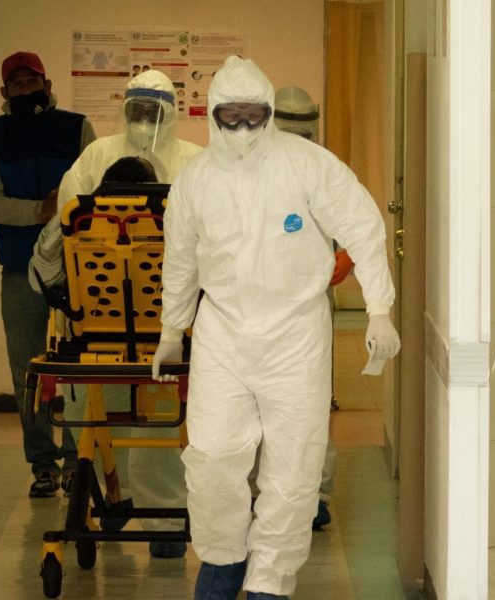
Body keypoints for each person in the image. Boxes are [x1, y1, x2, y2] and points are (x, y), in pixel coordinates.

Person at [152, 55, 399, 600]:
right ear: (213, 114)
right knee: (212, 455)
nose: (243, 127)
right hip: (223, 333)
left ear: (268, 112)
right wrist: (172, 330)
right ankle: (222, 562)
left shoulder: (307, 165)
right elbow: (180, 260)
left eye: (253, 114)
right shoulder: (195, 179)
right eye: (231, 115)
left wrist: (379, 307)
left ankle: (270, 582)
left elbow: (363, 228)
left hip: (296, 335)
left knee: (293, 464)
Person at [30, 69, 202, 558]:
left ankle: (160, 513)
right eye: (137, 109)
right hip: (123, 325)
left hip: (147, 326)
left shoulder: (194, 162)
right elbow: (64, 229)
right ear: (124, 109)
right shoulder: (96, 156)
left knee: (157, 420)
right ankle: (114, 498)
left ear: (171, 111)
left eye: (154, 110)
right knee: (101, 415)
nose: (145, 120)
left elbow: (49, 260)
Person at [0, 51, 96, 498]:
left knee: (77, 364)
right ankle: (42, 464)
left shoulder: (76, 127)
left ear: (47, 85)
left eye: (32, 82)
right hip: (20, 269)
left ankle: (75, 461)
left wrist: (64, 210)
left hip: (76, 269)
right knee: (27, 368)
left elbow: (93, 190)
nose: (25, 90)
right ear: (4, 92)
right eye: (17, 84)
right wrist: (39, 210)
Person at [273, 84, 354, 531]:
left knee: (312, 398)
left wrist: (340, 263)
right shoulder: (248, 172)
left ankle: (315, 494)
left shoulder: (329, 172)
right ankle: (263, 491)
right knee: (262, 402)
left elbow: (355, 231)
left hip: (311, 304)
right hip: (258, 304)